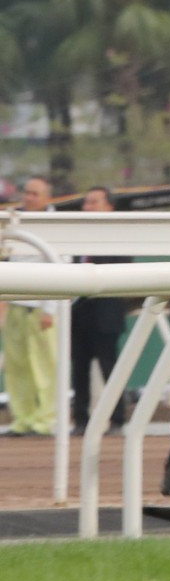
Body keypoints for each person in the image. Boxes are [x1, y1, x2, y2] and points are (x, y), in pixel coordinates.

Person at [70, 186, 132, 436]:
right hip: (78, 313)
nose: (88, 207)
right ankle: (81, 421)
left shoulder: (119, 235)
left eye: (94, 202)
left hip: (106, 314)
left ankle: (117, 420)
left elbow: (124, 270)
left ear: (109, 207)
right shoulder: (74, 235)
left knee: (109, 369)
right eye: (86, 202)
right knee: (79, 371)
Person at [1, 176, 57, 436]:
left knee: (44, 366)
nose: (28, 197)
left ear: (47, 197)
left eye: (35, 194)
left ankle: (45, 420)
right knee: (17, 365)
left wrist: (50, 309)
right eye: (27, 192)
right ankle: (22, 419)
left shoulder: (59, 224)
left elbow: (61, 267)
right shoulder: (15, 220)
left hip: (40, 306)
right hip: (16, 303)